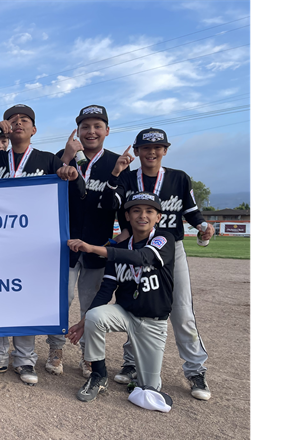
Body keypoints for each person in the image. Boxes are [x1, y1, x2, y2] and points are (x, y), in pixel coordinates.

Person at [0, 104, 85, 386]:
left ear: (34, 129)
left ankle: (25, 360)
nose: (18, 123)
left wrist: (72, 170)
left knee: (26, 299)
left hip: (33, 244)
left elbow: (79, 193)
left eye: (24, 120)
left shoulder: (48, 159)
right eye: (12, 120)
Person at [103, 127, 215, 401]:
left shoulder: (178, 178)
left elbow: (191, 211)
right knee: (137, 306)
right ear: (137, 150)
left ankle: (195, 370)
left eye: (157, 147)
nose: (151, 152)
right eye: (145, 148)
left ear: (165, 150)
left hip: (170, 249)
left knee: (182, 312)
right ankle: (131, 363)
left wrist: (202, 225)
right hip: (136, 249)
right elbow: (115, 209)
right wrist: (116, 173)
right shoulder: (129, 179)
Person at [45, 104, 134, 378]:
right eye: (85, 127)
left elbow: (125, 213)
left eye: (97, 126)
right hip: (63, 245)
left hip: (98, 247)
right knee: (60, 300)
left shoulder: (118, 164)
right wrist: (67, 159)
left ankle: (89, 355)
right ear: (77, 131)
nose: (91, 132)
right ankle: (55, 349)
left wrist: (116, 244)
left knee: (92, 305)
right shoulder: (63, 159)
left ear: (107, 131)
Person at [65, 191, 175, 408]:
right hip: (125, 313)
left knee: (149, 389)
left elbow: (143, 257)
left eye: (149, 211)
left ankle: (142, 377)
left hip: (153, 321)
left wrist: (95, 249)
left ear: (158, 217)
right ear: (127, 216)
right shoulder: (119, 248)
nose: (142, 215)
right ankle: (98, 375)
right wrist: (83, 322)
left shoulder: (164, 239)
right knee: (95, 316)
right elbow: (106, 290)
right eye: (136, 210)